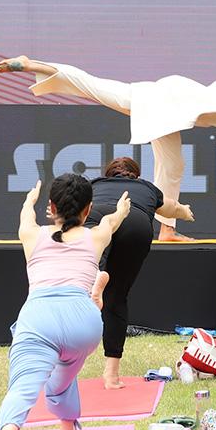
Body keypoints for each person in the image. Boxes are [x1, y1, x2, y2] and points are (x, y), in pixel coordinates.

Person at [0, 55, 216, 242]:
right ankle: (169, 230)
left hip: (159, 101)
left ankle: (168, 231)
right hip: (165, 102)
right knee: (170, 165)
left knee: (168, 163)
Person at [0, 173, 131, 430]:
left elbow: (26, 217)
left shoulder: (32, 235)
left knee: (24, 385)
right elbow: (111, 222)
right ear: (87, 209)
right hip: (83, 323)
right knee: (63, 378)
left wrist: (30, 199)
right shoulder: (94, 236)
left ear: (51, 206)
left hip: (39, 318)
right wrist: (121, 210)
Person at [83, 157, 193, 389]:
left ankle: (95, 274)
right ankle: (111, 376)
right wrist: (184, 211)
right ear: (136, 175)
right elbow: (171, 208)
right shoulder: (146, 188)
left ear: (108, 174)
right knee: (116, 297)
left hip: (98, 217)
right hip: (136, 222)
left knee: (79, 283)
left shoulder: (94, 186)